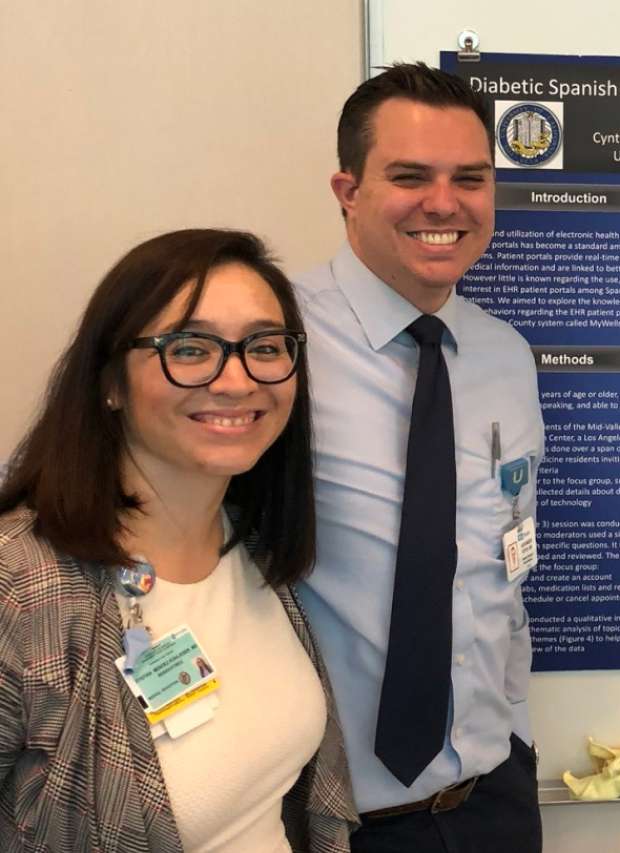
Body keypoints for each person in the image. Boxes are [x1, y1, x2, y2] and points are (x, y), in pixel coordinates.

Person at [0, 229, 358, 852]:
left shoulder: (252, 549)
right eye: (190, 349)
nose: (238, 380)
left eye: (265, 347)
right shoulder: (19, 587)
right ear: (110, 383)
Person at [295, 63, 544, 852]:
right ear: (348, 191)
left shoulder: (506, 355)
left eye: (470, 178)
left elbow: (501, 571)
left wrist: (515, 735)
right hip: (333, 818)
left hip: (492, 802)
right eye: (410, 176)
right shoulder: (270, 345)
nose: (445, 203)